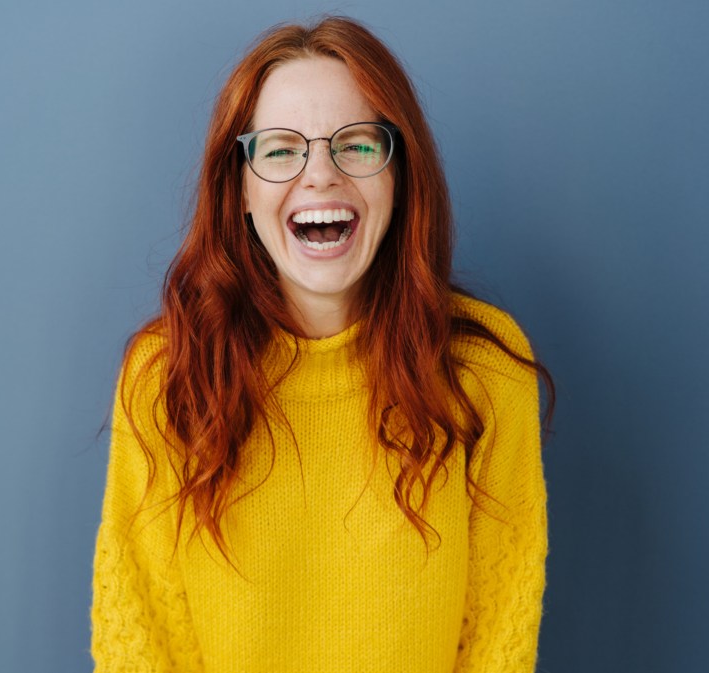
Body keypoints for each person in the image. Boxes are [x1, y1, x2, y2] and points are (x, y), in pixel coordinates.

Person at [91, 15, 553, 673]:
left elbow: (496, 641)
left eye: (357, 145)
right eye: (281, 149)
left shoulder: (483, 372)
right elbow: (138, 638)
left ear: (399, 174)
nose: (320, 176)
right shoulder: (167, 374)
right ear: (241, 188)